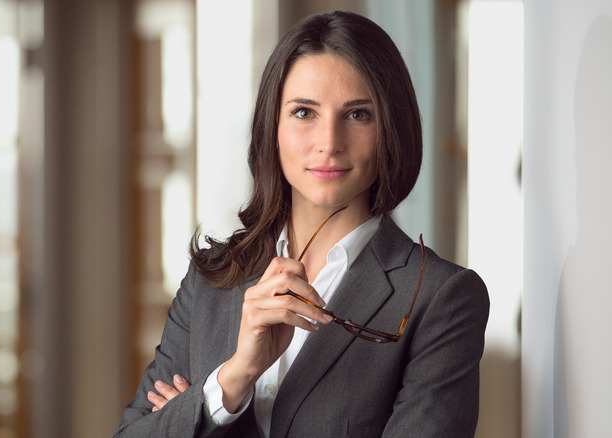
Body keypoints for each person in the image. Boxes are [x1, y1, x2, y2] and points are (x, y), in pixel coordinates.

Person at [115, 10, 489, 437]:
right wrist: (232, 380)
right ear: (272, 127)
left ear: (391, 129)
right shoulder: (210, 280)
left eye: (358, 115)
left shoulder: (440, 299)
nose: (329, 142)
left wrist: (190, 415)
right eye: (304, 113)